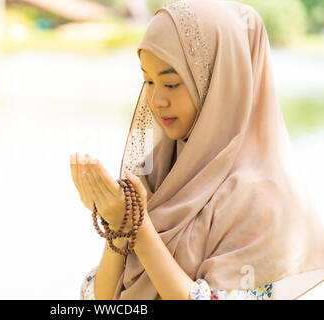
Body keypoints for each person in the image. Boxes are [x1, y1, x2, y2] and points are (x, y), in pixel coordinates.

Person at [70, 0, 324, 300]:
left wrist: (138, 225)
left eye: (172, 83)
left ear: (219, 83)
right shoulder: (158, 170)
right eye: (148, 81)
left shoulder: (264, 200)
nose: (156, 99)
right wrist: (118, 221)